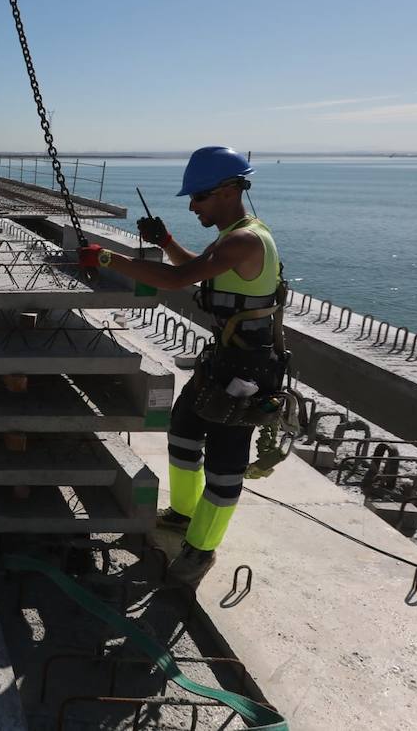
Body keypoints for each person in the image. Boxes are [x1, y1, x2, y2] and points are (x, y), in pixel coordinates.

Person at [79, 147, 286, 585]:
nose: (193, 205)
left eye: (200, 197)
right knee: (184, 434)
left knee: (225, 464)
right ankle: (182, 514)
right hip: (224, 362)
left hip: (246, 373)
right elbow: (195, 268)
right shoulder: (233, 235)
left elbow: (176, 281)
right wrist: (166, 242)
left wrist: (105, 258)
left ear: (229, 190)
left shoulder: (243, 239)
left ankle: (201, 548)